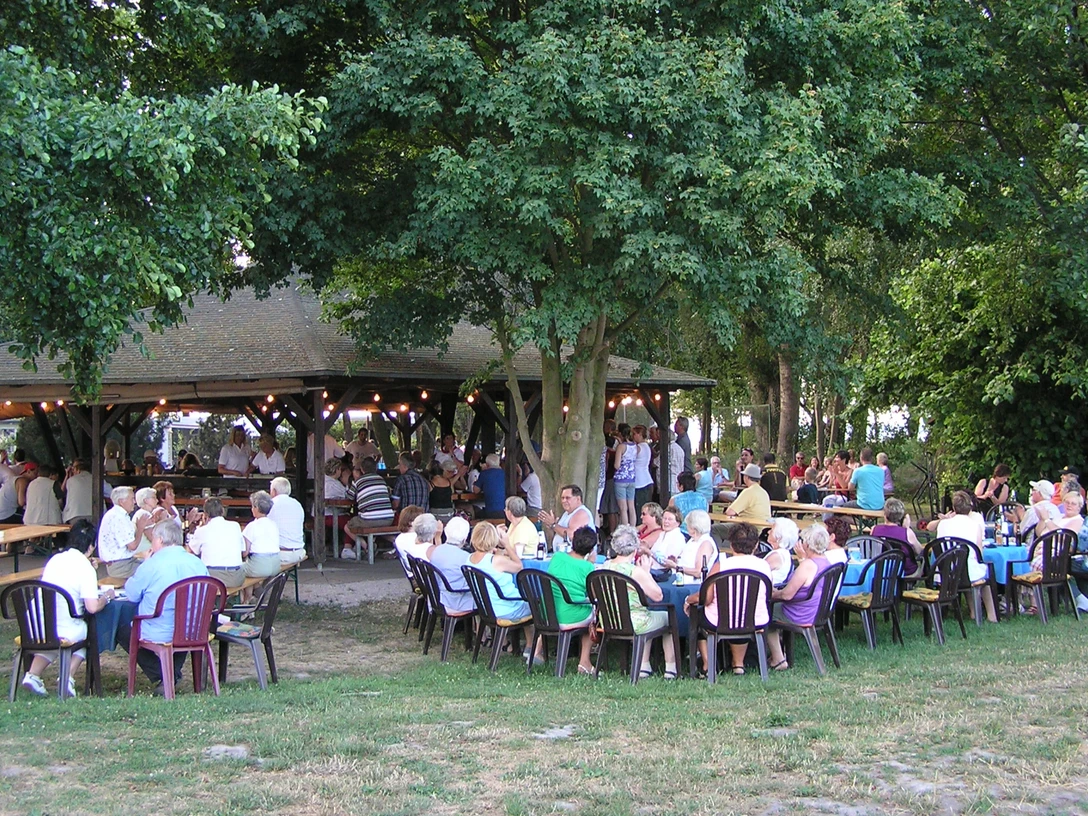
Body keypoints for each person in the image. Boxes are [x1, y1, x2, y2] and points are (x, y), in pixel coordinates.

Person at [19, 520, 108, 698]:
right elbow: (91, 607)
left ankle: (32, 675)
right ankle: (67, 677)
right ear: (92, 546)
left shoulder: (55, 559)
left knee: (55, 638)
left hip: (36, 625)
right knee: (86, 632)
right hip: (63, 627)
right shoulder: (85, 569)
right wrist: (105, 599)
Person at [120, 520, 209, 694]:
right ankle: (171, 673)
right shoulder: (198, 563)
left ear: (159, 540)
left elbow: (131, 594)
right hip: (193, 629)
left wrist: (145, 562)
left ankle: (165, 674)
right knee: (183, 619)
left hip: (159, 629)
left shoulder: (152, 565)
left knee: (122, 630)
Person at [684, 522, 771, 676]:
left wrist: (689, 600)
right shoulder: (763, 566)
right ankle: (738, 665)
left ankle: (708, 665)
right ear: (756, 545)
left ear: (731, 545)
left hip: (719, 620)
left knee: (697, 618)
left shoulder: (721, 566)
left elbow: (706, 598)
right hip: (755, 620)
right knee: (740, 617)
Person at [598, 524, 678, 679]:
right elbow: (658, 596)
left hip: (609, 621)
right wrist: (646, 573)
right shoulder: (635, 572)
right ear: (635, 548)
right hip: (635, 622)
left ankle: (644, 665)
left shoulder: (604, 566)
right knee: (668, 617)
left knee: (646, 614)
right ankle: (671, 667)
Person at [766, 523, 837, 671]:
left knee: (764, 614)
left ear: (807, 544)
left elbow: (787, 595)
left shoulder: (808, 566)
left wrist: (772, 593)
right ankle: (777, 654)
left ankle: (778, 659)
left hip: (799, 613)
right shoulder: (827, 562)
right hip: (818, 611)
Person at [467, 521, 536, 660]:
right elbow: (519, 566)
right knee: (535, 605)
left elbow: (493, 560)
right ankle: (531, 646)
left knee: (526, 603)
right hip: (506, 608)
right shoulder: (496, 561)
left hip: (487, 608)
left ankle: (523, 645)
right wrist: (507, 545)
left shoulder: (469, 559)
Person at [936, 490, 997, 623]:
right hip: (968, 572)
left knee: (969, 567)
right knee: (983, 572)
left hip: (946, 572)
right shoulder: (974, 525)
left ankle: (974, 611)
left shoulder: (943, 524)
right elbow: (979, 553)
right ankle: (991, 614)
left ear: (953, 508)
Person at [546, 526, 598, 674]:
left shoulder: (557, 557)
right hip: (569, 615)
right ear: (590, 550)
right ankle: (584, 662)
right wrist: (591, 564)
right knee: (594, 615)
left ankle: (537, 652)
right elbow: (593, 595)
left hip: (548, 613)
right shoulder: (587, 567)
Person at [185, 497, 245, 588]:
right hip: (237, 577)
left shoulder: (202, 531)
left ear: (205, 514)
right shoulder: (235, 526)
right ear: (222, 510)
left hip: (212, 578)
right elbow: (242, 550)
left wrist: (195, 527)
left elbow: (189, 552)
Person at [343, 457, 395, 559]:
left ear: (362, 469)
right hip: (388, 518)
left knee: (347, 527)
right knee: (380, 529)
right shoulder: (381, 480)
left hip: (369, 519)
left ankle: (366, 546)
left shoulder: (358, 482)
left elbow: (349, 497)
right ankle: (397, 543)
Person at [97, 486, 153, 579]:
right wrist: (140, 528)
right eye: (132, 499)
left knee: (152, 565)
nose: (134, 502)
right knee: (154, 571)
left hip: (125, 562)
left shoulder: (119, 515)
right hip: (121, 566)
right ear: (121, 501)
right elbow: (132, 546)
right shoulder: (118, 517)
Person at [427, 518, 475, 613]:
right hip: (455, 603)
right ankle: (479, 627)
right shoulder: (466, 557)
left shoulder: (436, 551)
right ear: (465, 538)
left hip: (437, 599)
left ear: (446, 532)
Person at [871, 497, 924, 578]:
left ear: (885, 515)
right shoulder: (907, 532)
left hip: (880, 569)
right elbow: (919, 551)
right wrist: (907, 527)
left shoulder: (874, 529)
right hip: (904, 571)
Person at [539, 484, 595, 552]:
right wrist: (552, 526)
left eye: (567, 498)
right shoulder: (567, 513)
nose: (564, 501)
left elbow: (572, 535)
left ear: (578, 499)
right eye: (562, 498)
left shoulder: (581, 513)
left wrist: (553, 525)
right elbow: (560, 532)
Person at [665, 510, 717, 579]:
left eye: (688, 525)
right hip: (678, 577)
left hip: (691, 583)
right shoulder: (693, 539)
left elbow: (698, 572)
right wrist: (676, 561)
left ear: (693, 528)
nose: (686, 528)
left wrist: (675, 566)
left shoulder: (706, 544)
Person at [243, 491, 282, 578]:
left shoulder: (252, 526)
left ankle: (250, 592)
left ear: (256, 508)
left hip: (259, 566)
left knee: (238, 571)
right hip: (276, 564)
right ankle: (257, 590)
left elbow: (244, 552)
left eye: (252, 506)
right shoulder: (273, 524)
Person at [268, 477, 306, 564]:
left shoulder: (270, 504)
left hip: (280, 554)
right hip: (299, 552)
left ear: (273, 491)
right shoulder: (297, 504)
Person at [1010, 479, 1062, 543]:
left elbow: (1019, 534)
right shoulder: (1055, 509)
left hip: (1031, 546)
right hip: (1051, 544)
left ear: (1040, 494)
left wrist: (1015, 519)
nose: (1031, 493)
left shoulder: (1033, 510)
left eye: (1034, 490)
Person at [612, 423, 637, 527]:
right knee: (631, 506)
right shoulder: (635, 446)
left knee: (623, 508)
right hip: (631, 478)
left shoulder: (621, 447)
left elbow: (617, 465)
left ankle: (625, 530)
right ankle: (633, 529)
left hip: (621, 479)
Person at [766, 517, 799, 586]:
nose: (768, 532)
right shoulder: (785, 553)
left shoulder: (776, 556)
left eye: (771, 530)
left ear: (778, 537)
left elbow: (755, 571)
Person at [474, 453, 507, 520]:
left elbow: (475, 490)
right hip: (505, 510)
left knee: (474, 511)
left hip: (490, 511)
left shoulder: (484, 474)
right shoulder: (504, 473)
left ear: (487, 464)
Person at [631, 425, 655, 515]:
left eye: (634, 434)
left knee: (639, 510)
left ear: (640, 434)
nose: (633, 436)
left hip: (639, 482)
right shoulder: (647, 446)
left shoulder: (638, 447)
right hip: (647, 479)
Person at [60, 459, 93, 524]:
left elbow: (62, 492)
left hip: (74, 515)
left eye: (73, 469)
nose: (73, 471)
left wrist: (68, 476)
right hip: (94, 515)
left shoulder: (71, 481)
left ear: (78, 470)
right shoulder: (96, 479)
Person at [131, 487, 159, 555]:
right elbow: (152, 538)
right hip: (144, 554)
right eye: (154, 498)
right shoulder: (144, 515)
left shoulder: (142, 513)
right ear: (146, 500)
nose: (157, 500)